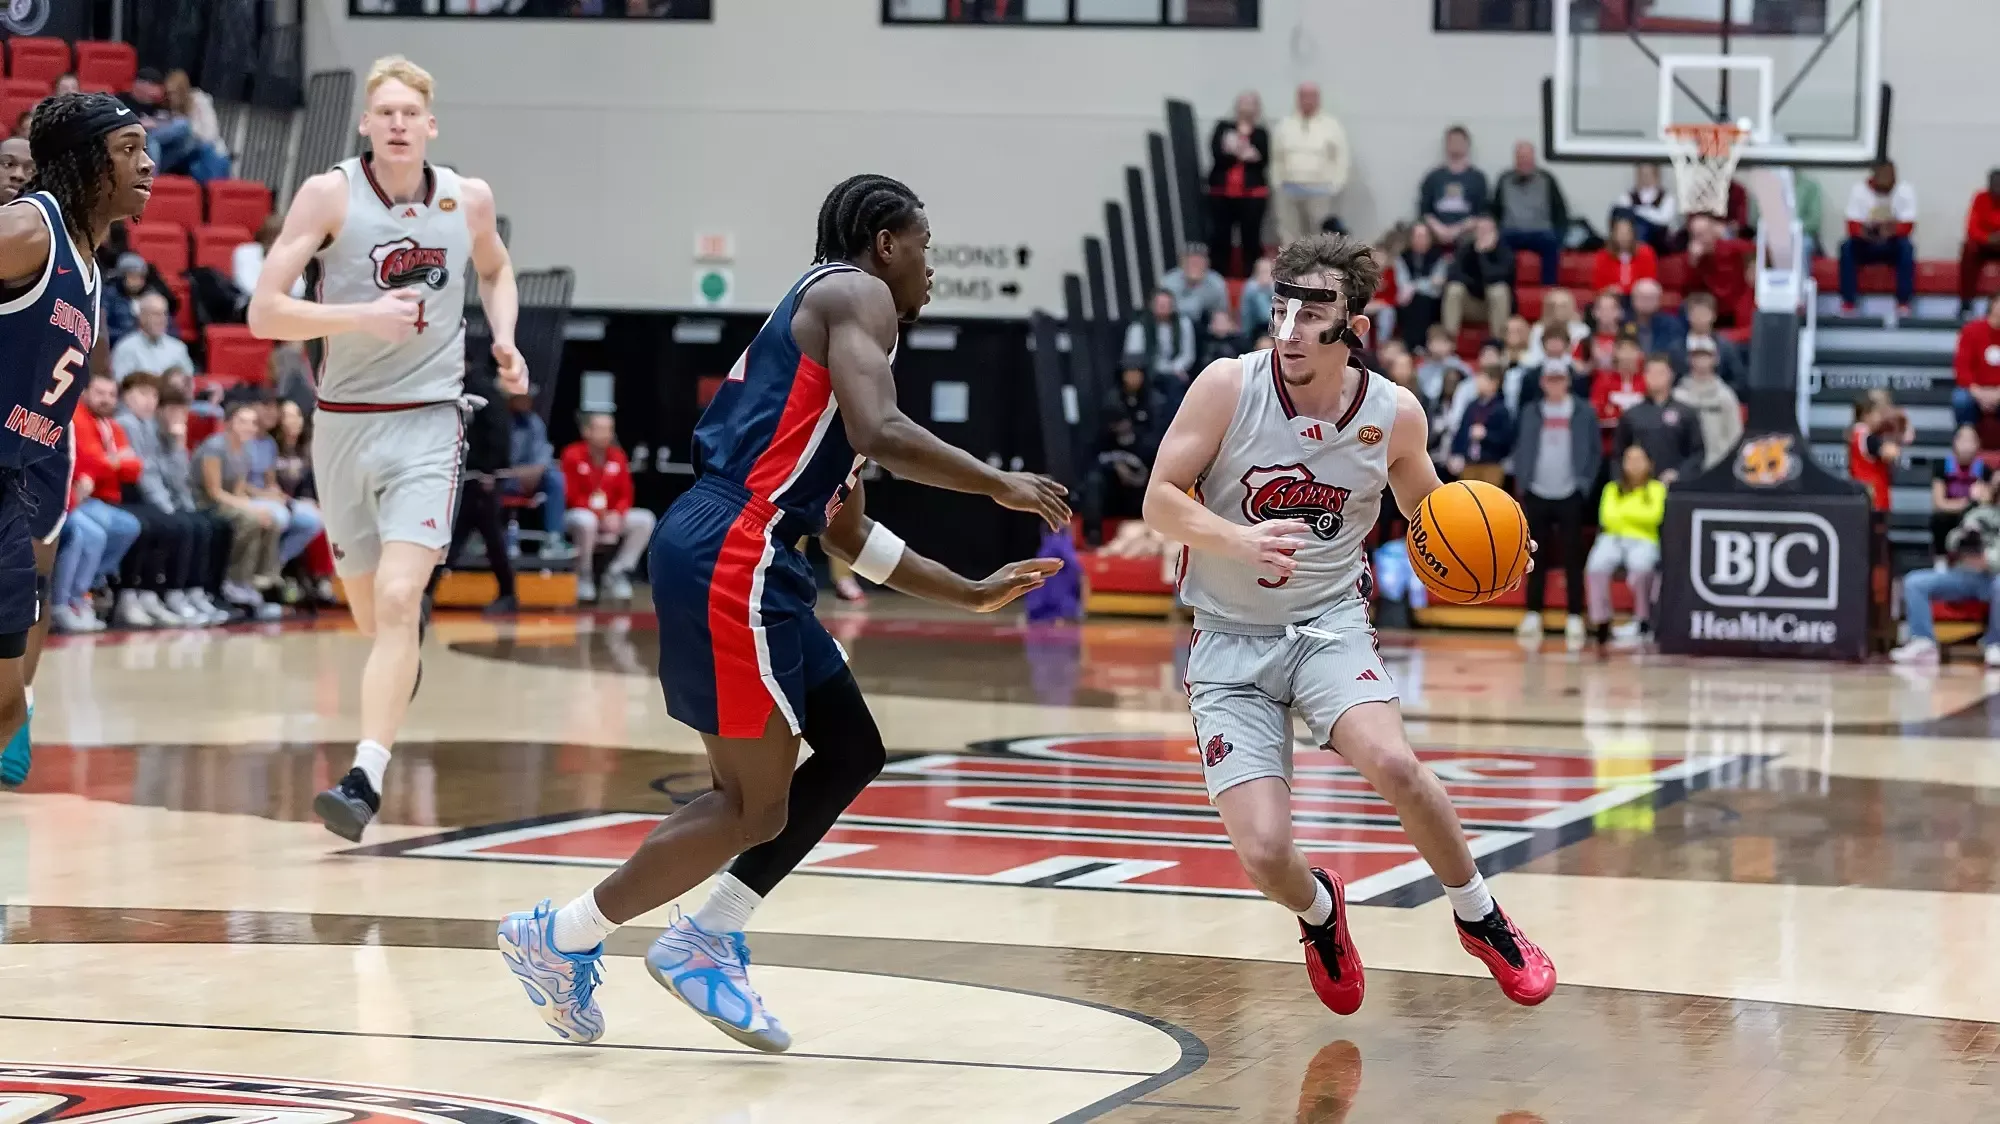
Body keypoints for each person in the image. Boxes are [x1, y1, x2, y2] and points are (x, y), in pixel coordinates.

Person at [496, 173, 1070, 1051]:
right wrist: (997, 482)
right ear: (885, 242)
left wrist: (970, 588)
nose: (931, 269)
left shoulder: (839, 333)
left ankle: (706, 931)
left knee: (851, 748)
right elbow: (880, 434)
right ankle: (564, 935)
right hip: (739, 549)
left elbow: (846, 527)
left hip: (755, 547)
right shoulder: (857, 293)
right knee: (751, 809)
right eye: (926, 246)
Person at [1138, 231, 1555, 1021]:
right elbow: (1160, 498)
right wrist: (1235, 537)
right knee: (1264, 852)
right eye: (1281, 307)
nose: (1290, 326)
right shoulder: (1228, 386)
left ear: (1353, 324)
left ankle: (1479, 915)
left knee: (1395, 764)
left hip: (1328, 624)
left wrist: (1501, 548)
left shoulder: (1392, 414)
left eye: (1313, 310)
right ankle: (1321, 913)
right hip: (1227, 638)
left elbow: (1432, 511)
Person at [247, 56, 527, 843]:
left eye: (412, 112)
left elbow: (498, 271)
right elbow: (265, 311)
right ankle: (400, 663)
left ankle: (365, 774)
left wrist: (505, 340)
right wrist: (361, 317)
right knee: (375, 617)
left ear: (430, 125)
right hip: (342, 423)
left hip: (430, 421)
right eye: (386, 113)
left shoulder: (465, 198)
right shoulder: (329, 194)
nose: (399, 123)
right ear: (365, 125)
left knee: (402, 602)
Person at [115, 371, 229, 625]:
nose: (148, 401)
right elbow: (146, 474)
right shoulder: (128, 423)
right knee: (178, 525)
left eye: (153, 395)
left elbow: (178, 479)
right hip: (130, 496)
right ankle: (161, 592)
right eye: (142, 394)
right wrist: (169, 507)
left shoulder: (157, 429)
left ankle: (198, 591)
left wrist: (178, 445)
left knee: (208, 524)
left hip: (153, 497)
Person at [1514, 364, 1601, 648]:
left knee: (1573, 556)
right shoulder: (1530, 411)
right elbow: (1521, 447)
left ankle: (1575, 615)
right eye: (1550, 379)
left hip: (1569, 493)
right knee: (1533, 557)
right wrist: (1523, 482)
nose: (1555, 384)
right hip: (1537, 491)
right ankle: (1533, 613)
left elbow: (1594, 451)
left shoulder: (1583, 412)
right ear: (1542, 382)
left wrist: (1583, 484)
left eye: (1560, 379)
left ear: (1568, 382)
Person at [195, 402, 285, 617]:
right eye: (243, 422)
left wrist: (254, 507)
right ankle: (234, 580)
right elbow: (214, 492)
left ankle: (259, 579)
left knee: (269, 518)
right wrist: (250, 509)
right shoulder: (214, 447)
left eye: (253, 423)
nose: (249, 427)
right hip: (205, 504)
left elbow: (238, 491)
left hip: (228, 502)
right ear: (229, 424)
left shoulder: (245, 450)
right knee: (250, 519)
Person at [1892, 497, 2000, 667]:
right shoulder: (1979, 513)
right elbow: (1952, 541)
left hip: (1994, 577)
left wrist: (1988, 559)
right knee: (1915, 582)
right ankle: (1923, 642)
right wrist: (1963, 538)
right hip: (1965, 575)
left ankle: (1996, 644)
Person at [559, 411, 654, 602]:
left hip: (610, 515)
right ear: (587, 431)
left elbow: (626, 494)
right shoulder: (572, 454)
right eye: (600, 429)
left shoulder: (618, 456)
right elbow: (570, 495)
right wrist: (599, 515)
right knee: (587, 522)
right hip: (577, 514)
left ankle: (618, 571)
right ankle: (584, 576)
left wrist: (617, 514)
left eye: (609, 429)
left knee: (645, 519)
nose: (606, 434)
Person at [1586, 444, 1666, 648]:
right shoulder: (1612, 488)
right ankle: (1601, 620)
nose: (1634, 464)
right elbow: (1606, 517)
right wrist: (1635, 515)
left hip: (1644, 539)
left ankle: (1642, 620)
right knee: (1596, 566)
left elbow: (1654, 517)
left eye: (1639, 459)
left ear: (1650, 464)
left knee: (1641, 568)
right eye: (1629, 459)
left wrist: (1624, 514)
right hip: (1613, 538)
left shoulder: (1657, 489)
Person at [1083, 364, 1163, 545]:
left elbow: (1161, 443)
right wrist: (1117, 464)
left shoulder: (1155, 402)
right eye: (1128, 373)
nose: (1132, 378)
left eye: (1136, 373)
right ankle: (1093, 536)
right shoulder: (1110, 401)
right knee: (1094, 480)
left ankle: (1157, 533)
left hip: (1147, 465)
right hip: (1114, 468)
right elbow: (1096, 447)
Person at [1271, 83, 1350, 245]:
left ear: (1318, 99)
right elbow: (1276, 158)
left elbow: (1342, 158)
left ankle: (1318, 270)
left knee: (1320, 238)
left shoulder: (1331, 125)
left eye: (1311, 96)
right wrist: (1277, 183)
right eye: (1303, 96)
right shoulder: (1285, 125)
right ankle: (1293, 270)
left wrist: (1336, 185)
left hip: (1320, 191)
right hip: (1289, 190)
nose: (1307, 100)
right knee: (1290, 238)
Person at [1839, 160, 1918, 315]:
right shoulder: (1859, 190)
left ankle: (1903, 303)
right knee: (1846, 247)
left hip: (1891, 244)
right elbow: (1852, 226)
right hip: (1866, 243)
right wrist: (1870, 232)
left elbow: (1908, 226)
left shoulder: (1905, 190)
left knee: (1907, 247)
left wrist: (1888, 230)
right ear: (1873, 178)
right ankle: (1848, 303)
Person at [1614, 354, 1703, 485]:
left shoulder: (1685, 413)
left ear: (1671, 376)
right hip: (1639, 489)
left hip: (1676, 488)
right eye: (1650, 372)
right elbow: (1619, 454)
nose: (1655, 377)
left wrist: (1679, 473)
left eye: (1660, 372)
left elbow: (1698, 453)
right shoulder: (1631, 415)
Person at [1207, 92, 1269, 278]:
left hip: (1252, 194)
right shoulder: (1222, 127)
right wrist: (1243, 154)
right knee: (1220, 236)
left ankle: (1252, 275)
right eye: (1243, 103)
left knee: (1250, 237)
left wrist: (1236, 150)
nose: (1247, 108)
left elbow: (1262, 160)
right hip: (1222, 192)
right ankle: (1219, 275)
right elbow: (1217, 154)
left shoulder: (1261, 133)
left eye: (1251, 104)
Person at [506, 386, 572, 558]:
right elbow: (494, 459)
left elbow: (542, 457)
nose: (526, 401)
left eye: (528, 398)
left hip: (531, 478)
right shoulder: (498, 420)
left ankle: (553, 538)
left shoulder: (534, 422)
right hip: (503, 477)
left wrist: (535, 472)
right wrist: (520, 473)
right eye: (521, 398)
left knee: (555, 478)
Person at [1493, 141, 1569, 286]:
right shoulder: (1504, 179)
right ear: (1515, 160)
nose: (1524, 162)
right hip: (1511, 232)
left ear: (1534, 159)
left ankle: (1548, 290)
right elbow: (1494, 211)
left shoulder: (1547, 179)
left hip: (1540, 232)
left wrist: (1560, 236)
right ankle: (1504, 291)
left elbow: (1560, 211)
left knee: (1551, 243)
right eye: (1520, 158)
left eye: (1527, 158)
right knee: (1498, 243)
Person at [1672, 342, 1743, 471]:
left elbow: (1735, 434)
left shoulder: (1725, 396)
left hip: (1716, 464)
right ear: (1689, 359)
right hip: (1683, 466)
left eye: (1706, 356)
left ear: (1715, 359)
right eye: (1697, 356)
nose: (1701, 361)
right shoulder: (1678, 395)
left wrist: (1725, 461)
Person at [1441, 215, 1513, 338]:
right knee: (1454, 289)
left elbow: (1497, 277)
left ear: (1495, 233)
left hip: (1494, 307)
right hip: (1470, 305)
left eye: (1487, 231)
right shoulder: (1466, 249)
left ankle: (1498, 343)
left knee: (1498, 290)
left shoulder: (1504, 251)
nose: (1483, 235)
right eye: (1480, 230)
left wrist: (1483, 254)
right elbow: (1453, 274)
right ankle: (1448, 342)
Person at [1447, 357, 1513, 487]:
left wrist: (1486, 435)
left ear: (1494, 383)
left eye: (1482, 380)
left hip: (1491, 464)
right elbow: (1462, 432)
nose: (1478, 383)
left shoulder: (1501, 409)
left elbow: (1507, 440)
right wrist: (1456, 453)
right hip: (1469, 463)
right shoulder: (1472, 406)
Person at [1418, 125, 1486, 247]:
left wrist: (1457, 230)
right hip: (1436, 231)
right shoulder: (1433, 177)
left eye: (1459, 141)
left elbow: (1480, 214)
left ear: (1467, 144)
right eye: (1452, 141)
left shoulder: (1478, 178)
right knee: (1419, 231)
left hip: (1467, 232)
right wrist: (1440, 229)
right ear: (1446, 145)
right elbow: (1425, 212)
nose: (1455, 145)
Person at [1684, 213, 1754, 328]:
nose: (1698, 240)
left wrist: (1752, 264)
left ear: (1714, 233)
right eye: (1695, 235)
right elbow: (1689, 288)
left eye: (1702, 234)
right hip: (1711, 303)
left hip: (1735, 300)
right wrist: (1693, 263)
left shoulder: (1730, 247)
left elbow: (1755, 249)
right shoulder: (1694, 257)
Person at [1930, 426, 1991, 556]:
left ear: (1978, 444)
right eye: (1962, 440)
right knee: (1938, 519)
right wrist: (1968, 503)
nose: (1966, 446)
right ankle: (1941, 561)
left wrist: (1983, 496)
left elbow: (1986, 503)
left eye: (1971, 441)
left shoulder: (1984, 469)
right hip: (1950, 515)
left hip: (1973, 517)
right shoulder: (1942, 466)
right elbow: (1939, 503)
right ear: (1954, 442)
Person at [110, 292, 195, 385]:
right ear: (142, 317)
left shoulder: (178, 348)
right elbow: (121, 385)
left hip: (171, 398)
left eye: (164, 314)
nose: (162, 319)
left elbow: (189, 383)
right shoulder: (126, 347)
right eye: (156, 314)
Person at [1124, 287, 1195, 390]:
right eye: (1160, 304)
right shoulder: (1138, 327)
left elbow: (1188, 354)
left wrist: (1176, 368)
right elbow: (1135, 358)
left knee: (1177, 384)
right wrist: (1162, 368)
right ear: (1151, 305)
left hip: (1177, 372)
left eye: (1166, 304)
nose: (1163, 307)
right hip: (1148, 373)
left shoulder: (1184, 324)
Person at [1392, 222, 1448, 350]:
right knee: (1410, 302)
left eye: (1423, 236)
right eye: (1417, 236)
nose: (1420, 240)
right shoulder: (1403, 257)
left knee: (1421, 300)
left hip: (1432, 301)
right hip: (1409, 300)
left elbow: (1437, 285)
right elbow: (1402, 284)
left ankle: (1420, 344)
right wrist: (1423, 284)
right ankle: (1410, 346)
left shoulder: (1439, 257)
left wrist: (1414, 286)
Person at [1848, 393, 1903, 513]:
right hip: (1874, 501)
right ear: (1866, 414)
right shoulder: (1867, 436)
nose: (1881, 418)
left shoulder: (1855, 434)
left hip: (1863, 499)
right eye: (1878, 413)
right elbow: (1891, 453)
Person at [1952, 297, 2000, 431]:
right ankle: (1966, 440)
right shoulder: (1971, 330)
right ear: (1993, 305)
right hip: (1974, 389)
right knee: (1961, 400)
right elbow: (1962, 368)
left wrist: (1997, 393)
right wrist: (1978, 392)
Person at [1160, 244, 1230, 329]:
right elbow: (1162, 311)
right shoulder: (1168, 282)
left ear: (1207, 264)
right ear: (1181, 264)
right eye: (1190, 262)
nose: (1195, 266)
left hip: (1205, 327)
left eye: (1199, 262)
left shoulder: (1216, 283)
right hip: (1175, 326)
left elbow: (1222, 312)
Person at [1960, 169, 2000, 319]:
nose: (1997, 187)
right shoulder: (1980, 198)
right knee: (1968, 250)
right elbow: (1972, 228)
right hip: (1985, 243)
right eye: (1994, 184)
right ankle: (1966, 303)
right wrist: (1989, 238)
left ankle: (1996, 307)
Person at [1612, 162, 1676, 251]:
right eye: (1642, 174)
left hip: (1659, 239)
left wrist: (1639, 211)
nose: (1645, 178)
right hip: (1633, 236)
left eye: (1648, 174)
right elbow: (1622, 216)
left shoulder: (1667, 197)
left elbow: (1664, 219)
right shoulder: (1627, 196)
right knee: (1638, 228)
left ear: (1656, 175)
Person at [1591, 216, 1658, 295]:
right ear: (1613, 235)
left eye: (1627, 233)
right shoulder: (1603, 256)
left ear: (1633, 234)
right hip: (1613, 298)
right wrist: (1609, 290)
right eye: (1620, 233)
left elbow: (1649, 282)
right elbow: (1598, 286)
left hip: (1637, 297)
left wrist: (1631, 289)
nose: (1623, 237)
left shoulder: (1646, 253)